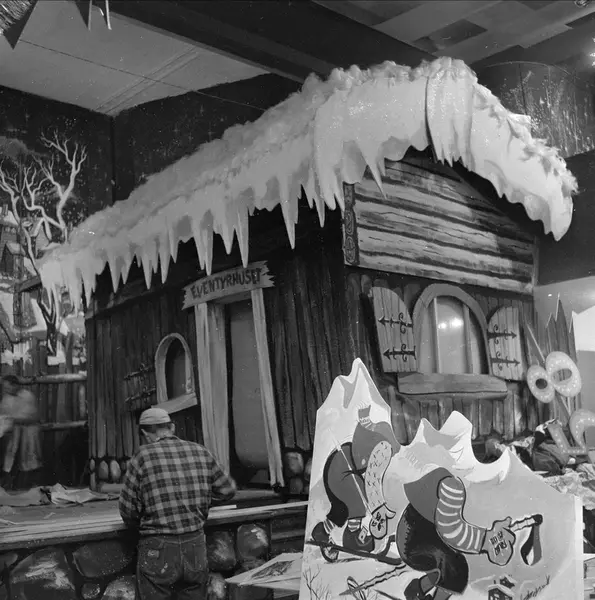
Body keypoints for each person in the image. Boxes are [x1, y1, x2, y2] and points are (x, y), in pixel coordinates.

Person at [119, 407, 236, 600]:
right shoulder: (200, 451)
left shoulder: (142, 456)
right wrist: (200, 502)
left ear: (145, 433)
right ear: (171, 427)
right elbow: (227, 489)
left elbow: (128, 511)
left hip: (158, 547)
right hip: (195, 545)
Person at [0, 374, 42, 489]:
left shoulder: (27, 396)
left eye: (8, 387)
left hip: (28, 432)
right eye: (5, 388)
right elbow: (3, 414)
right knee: (10, 459)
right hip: (13, 434)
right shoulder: (6, 398)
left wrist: (12, 419)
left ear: (15, 385)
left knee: (29, 461)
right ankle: (11, 485)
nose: (6, 390)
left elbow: (32, 417)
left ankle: (29, 486)